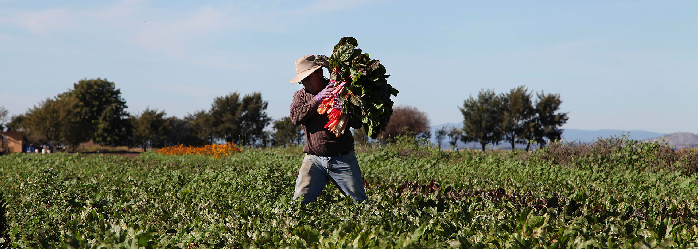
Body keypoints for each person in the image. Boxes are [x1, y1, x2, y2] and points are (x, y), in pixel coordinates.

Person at [289, 54, 368, 204]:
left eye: (307, 78)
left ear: (319, 73)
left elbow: (358, 123)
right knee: (299, 204)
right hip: (313, 159)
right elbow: (295, 117)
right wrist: (317, 99)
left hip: (342, 158)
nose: (305, 83)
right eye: (302, 80)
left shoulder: (342, 92)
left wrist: (346, 111)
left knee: (359, 203)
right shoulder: (300, 96)